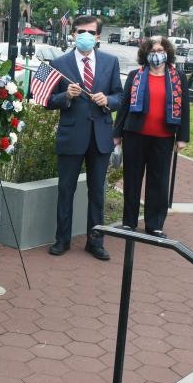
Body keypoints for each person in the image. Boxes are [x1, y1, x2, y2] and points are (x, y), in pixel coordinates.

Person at [45, 15, 124, 261]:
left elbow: (120, 96)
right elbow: (46, 100)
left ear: (98, 36)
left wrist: (108, 101)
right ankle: (62, 239)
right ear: (72, 34)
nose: (85, 36)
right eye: (80, 31)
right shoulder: (59, 63)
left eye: (90, 32)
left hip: (100, 136)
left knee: (97, 193)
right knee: (65, 190)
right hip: (71, 135)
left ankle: (95, 241)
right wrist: (65, 96)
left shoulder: (110, 62)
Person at [113, 36, 190, 237]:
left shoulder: (178, 77)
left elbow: (185, 109)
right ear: (146, 54)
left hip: (163, 137)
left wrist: (182, 137)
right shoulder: (135, 75)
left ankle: (154, 225)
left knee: (159, 181)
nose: (157, 55)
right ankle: (129, 222)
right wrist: (117, 134)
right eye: (152, 51)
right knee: (132, 180)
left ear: (167, 53)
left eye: (160, 50)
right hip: (135, 135)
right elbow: (124, 106)